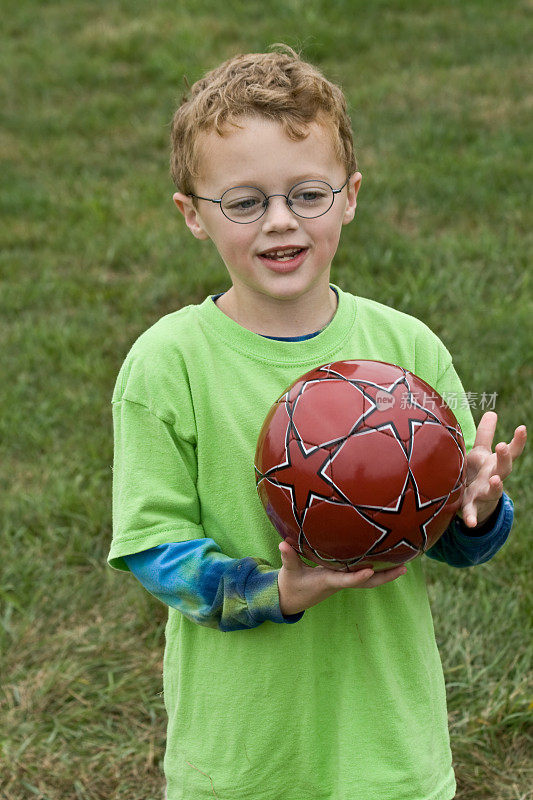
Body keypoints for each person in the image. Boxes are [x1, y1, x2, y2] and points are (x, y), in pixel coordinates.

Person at [107, 47, 527, 800]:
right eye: (243, 201)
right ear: (192, 215)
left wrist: (480, 505)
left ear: (350, 195)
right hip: (242, 754)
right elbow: (153, 549)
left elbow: (453, 542)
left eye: (307, 194)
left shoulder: (406, 349)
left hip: (384, 745)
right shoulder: (167, 364)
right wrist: (276, 591)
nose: (279, 222)